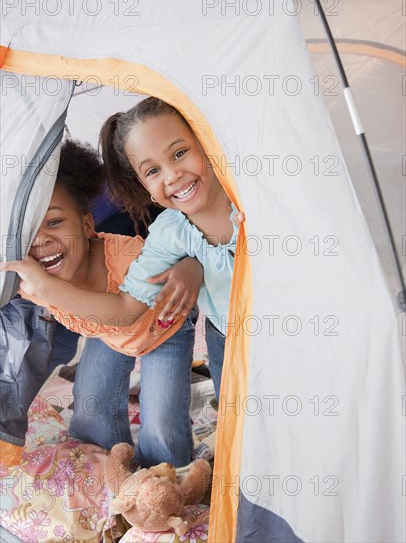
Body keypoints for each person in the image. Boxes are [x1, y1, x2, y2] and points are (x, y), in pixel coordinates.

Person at [3, 97, 241, 399]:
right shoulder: (169, 234)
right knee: (243, 420)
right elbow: (125, 310)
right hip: (224, 338)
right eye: (152, 172)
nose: (172, 175)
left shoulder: (249, 196)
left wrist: (192, 265)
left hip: (198, 328)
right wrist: (44, 287)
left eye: (180, 153)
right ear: (142, 184)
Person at [3, 139, 203, 467]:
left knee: (162, 424)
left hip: (162, 327)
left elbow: (123, 314)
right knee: (91, 412)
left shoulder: (128, 258)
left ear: (86, 225)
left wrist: (190, 265)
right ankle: (116, 469)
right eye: (28, 234)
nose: (41, 240)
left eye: (54, 222)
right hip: (109, 336)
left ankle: (164, 483)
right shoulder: (34, 277)